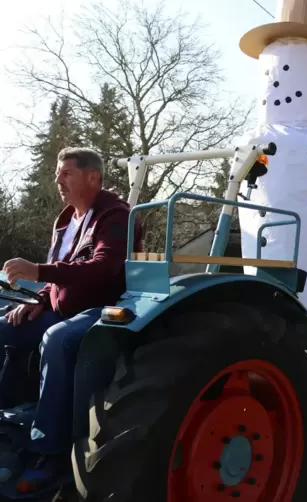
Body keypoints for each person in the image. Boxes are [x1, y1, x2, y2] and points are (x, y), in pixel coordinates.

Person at [0, 147, 141, 492]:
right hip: (61, 307)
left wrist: (38, 271)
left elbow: (103, 269)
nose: (58, 180)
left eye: (66, 174)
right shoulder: (66, 219)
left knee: (59, 340)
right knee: (6, 324)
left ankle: (50, 451)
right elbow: (58, 277)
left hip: (102, 307)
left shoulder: (115, 215)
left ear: (92, 178)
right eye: (57, 173)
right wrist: (40, 300)